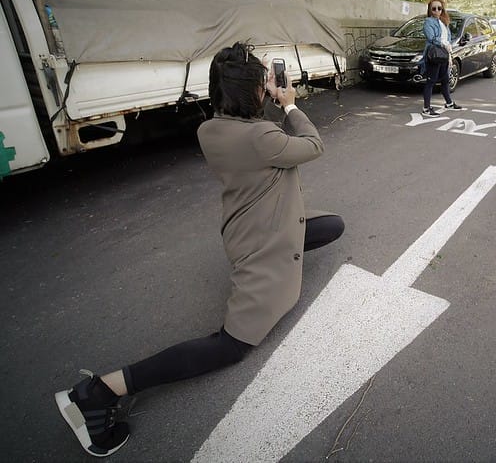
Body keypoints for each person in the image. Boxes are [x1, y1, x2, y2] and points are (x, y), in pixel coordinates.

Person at [54, 42, 344, 457]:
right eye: (265, 81)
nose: (271, 84)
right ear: (255, 94)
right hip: (262, 245)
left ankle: (284, 257)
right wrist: (291, 105)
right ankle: (99, 392)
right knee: (231, 345)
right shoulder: (263, 135)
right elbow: (313, 145)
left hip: (244, 227)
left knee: (332, 225)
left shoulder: (210, 129)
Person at [421, 0, 460, 117]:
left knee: (444, 80)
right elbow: (431, 38)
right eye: (434, 8)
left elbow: (448, 39)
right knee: (431, 81)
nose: (437, 11)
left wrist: (449, 52)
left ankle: (449, 103)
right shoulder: (428, 22)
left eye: (440, 8)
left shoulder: (444, 22)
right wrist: (443, 43)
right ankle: (426, 109)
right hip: (434, 55)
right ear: (430, 10)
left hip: (444, 54)